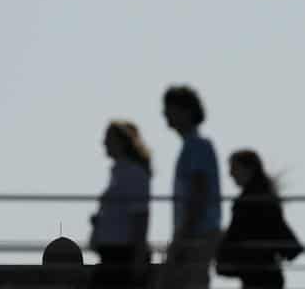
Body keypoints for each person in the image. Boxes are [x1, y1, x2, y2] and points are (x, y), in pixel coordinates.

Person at [158, 85, 221, 289]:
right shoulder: (191, 146)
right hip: (193, 232)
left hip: (196, 233)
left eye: (170, 108)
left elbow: (198, 193)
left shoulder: (197, 146)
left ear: (186, 110)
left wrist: (182, 236)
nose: (165, 113)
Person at [216, 150, 304, 289]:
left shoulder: (249, 201)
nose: (230, 174)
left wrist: (219, 247)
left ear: (248, 169)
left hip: (257, 274)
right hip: (266, 273)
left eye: (234, 168)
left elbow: (237, 234)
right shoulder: (263, 196)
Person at [88, 120, 152, 288]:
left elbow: (141, 217)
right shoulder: (118, 173)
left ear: (121, 142)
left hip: (123, 256)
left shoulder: (133, 173)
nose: (104, 143)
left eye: (108, 138)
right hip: (111, 255)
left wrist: (138, 258)